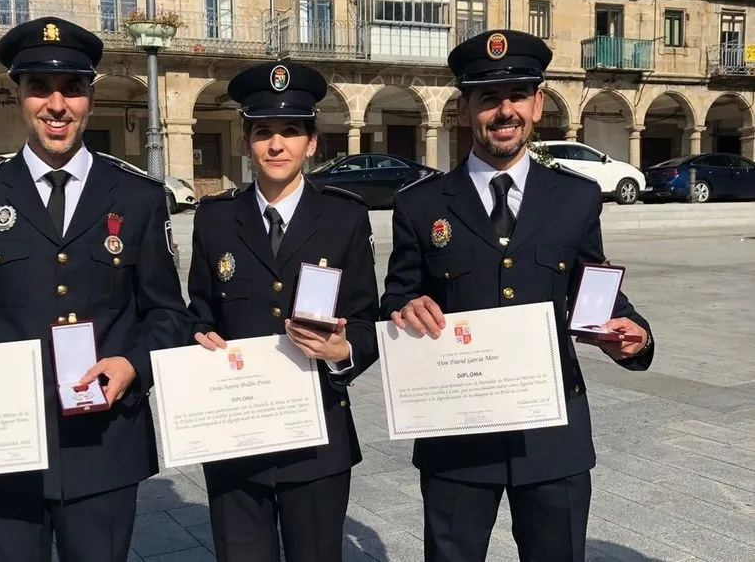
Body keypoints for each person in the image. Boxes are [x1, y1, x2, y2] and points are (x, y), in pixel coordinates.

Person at [0, 16, 191, 562]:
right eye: (39, 88)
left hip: (103, 444)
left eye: (72, 88)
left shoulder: (138, 197)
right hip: (0, 444)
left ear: (90, 98)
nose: (57, 105)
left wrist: (133, 364)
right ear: (18, 96)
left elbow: (168, 314)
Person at [380, 29, 656, 562]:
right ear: (465, 109)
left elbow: (594, 289)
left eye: (517, 96)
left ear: (537, 105)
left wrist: (635, 337)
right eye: (488, 98)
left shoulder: (576, 197)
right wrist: (403, 309)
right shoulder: (421, 204)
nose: (504, 111)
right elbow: (397, 294)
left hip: (552, 433)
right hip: (457, 434)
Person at [187, 61, 380, 562]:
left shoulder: (344, 217)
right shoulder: (215, 219)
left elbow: (366, 321)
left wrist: (342, 351)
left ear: (312, 143)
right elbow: (198, 314)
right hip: (237, 438)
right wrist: (199, 339)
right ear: (245, 141)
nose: (276, 145)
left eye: (291, 131)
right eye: (262, 132)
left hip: (318, 440)